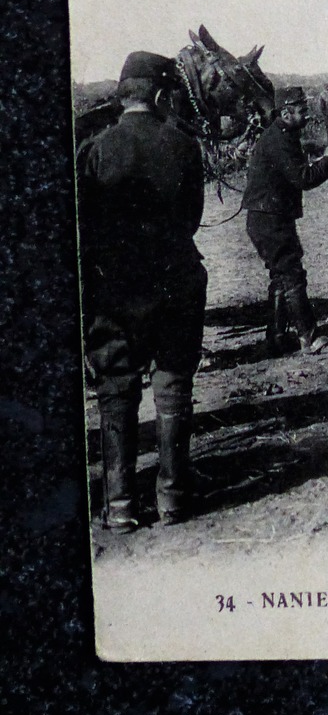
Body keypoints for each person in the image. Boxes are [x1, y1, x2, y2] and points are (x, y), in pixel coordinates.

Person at [78, 52, 209, 531]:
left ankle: (120, 505)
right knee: (173, 380)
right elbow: (192, 219)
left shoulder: (95, 150)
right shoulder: (183, 146)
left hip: (113, 289)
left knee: (116, 386)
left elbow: (85, 227)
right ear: (158, 95)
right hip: (175, 282)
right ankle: (173, 498)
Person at [243, 85, 328, 356]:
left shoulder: (281, 135)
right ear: (286, 113)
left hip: (267, 217)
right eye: (302, 111)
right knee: (291, 275)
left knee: (281, 276)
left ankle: (276, 338)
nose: (307, 115)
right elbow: (303, 178)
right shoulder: (279, 140)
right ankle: (308, 337)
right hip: (271, 220)